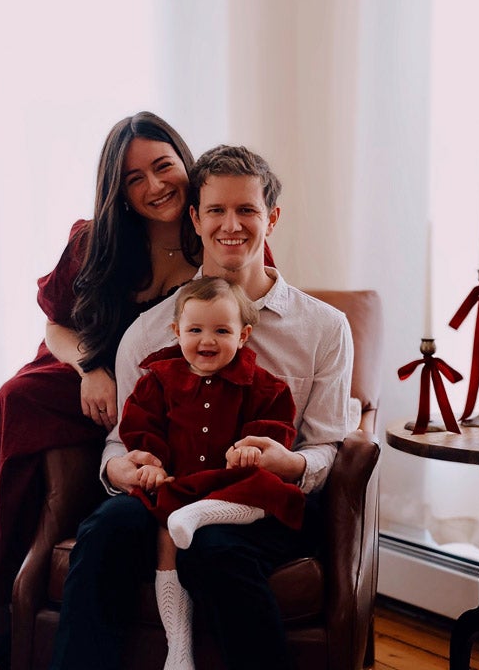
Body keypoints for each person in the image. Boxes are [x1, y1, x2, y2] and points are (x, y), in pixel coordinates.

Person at [50, 144, 355, 670]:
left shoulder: (324, 328)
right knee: (104, 533)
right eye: (215, 210)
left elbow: (327, 443)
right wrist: (118, 467)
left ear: (271, 218)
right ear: (195, 217)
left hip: (259, 503)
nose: (230, 225)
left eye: (247, 210)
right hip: (166, 489)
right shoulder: (149, 332)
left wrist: (292, 464)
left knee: (214, 549)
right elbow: (122, 437)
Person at [0, 111, 201, 668]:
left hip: (164, 392)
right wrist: (89, 367)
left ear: (184, 162)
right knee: (14, 400)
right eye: (134, 179)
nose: (154, 186)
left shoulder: (216, 232)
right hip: (86, 371)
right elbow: (54, 323)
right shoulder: (94, 241)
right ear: (119, 191)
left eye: (162, 167)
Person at [119, 276, 305, 669]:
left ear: (243, 336)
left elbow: (276, 430)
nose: (208, 340)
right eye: (195, 330)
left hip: (236, 487)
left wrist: (253, 448)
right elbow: (142, 430)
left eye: (222, 330)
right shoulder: (158, 381)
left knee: (264, 489)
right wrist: (149, 464)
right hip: (182, 488)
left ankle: (203, 514)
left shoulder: (263, 386)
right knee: (166, 526)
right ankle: (179, 646)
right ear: (177, 332)